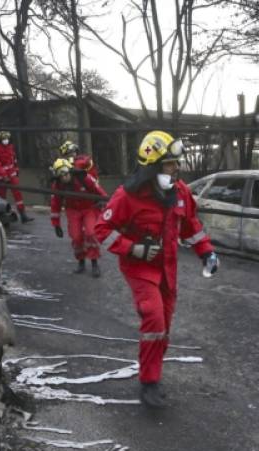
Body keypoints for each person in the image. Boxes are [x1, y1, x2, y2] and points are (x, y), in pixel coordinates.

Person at [94, 130, 219, 408]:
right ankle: (148, 382)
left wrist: (206, 251)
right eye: (169, 164)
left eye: (176, 163)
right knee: (154, 319)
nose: (176, 169)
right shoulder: (128, 196)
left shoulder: (181, 192)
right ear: (152, 166)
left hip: (168, 269)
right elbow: (102, 229)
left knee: (163, 329)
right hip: (140, 270)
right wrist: (133, 248)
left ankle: (154, 374)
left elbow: (191, 227)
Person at [50, 158, 108, 277]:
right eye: (61, 175)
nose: (64, 177)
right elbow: (55, 205)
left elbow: (99, 190)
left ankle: (94, 262)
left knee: (91, 233)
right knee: (76, 237)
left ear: (70, 171)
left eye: (66, 173)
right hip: (73, 210)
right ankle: (81, 261)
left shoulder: (83, 178)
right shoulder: (58, 186)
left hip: (89, 208)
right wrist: (56, 224)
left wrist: (103, 201)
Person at [0, 131, 32, 223]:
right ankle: (1, 215)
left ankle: (23, 215)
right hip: (1, 178)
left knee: (18, 195)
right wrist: (4, 175)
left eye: (7, 139)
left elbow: (13, 159)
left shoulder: (10, 147)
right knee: (1, 197)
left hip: (12, 175)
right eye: (4, 139)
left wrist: (16, 170)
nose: (6, 140)